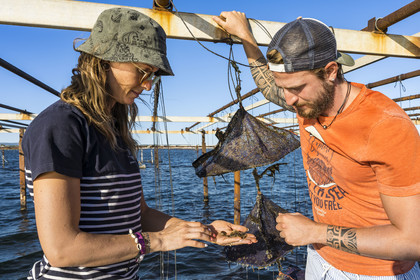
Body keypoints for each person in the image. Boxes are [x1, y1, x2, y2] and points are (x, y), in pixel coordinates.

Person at [22, 7, 256, 280]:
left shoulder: (113, 128)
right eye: (142, 71)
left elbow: (139, 213)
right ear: (103, 61)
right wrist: (158, 241)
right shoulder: (60, 126)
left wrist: (203, 230)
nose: (147, 85)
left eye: (152, 75)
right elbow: (62, 249)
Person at [213, 11, 420, 279]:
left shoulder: (386, 125)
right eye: (283, 87)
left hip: (373, 272)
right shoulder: (309, 102)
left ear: (330, 71)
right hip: (320, 257)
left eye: (297, 87)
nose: (288, 100)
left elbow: (413, 241)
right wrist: (245, 37)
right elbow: (269, 86)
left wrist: (315, 231)